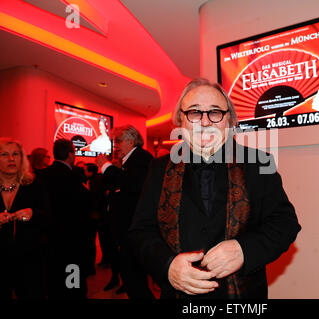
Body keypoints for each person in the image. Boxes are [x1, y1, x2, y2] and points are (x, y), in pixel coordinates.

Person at [128, 78, 301, 299]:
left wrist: (244, 250)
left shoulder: (260, 163)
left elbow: (285, 224)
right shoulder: (158, 168)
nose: (205, 122)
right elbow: (140, 232)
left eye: (215, 112)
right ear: (181, 120)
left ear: (228, 119)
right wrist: (168, 266)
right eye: (194, 112)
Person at [96, 125, 154, 298]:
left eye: (118, 141)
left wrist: (106, 166)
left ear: (131, 140)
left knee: (133, 278)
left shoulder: (141, 158)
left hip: (134, 229)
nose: (116, 146)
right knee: (131, 277)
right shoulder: (129, 160)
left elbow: (133, 185)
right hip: (127, 229)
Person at [41, 139, 90, 299]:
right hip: (73, 237)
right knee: (73, 274)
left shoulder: (43, 175)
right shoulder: (74, 175)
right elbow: (83, 204)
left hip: (51, 236)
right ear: (70, 155)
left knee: (54, 274)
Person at [0, 137, 46, 299]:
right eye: (4, 154)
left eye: (16, 154)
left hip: (29, 262)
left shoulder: (34, 185)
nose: (11, 159)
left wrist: (34, 213)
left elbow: (52, 217)